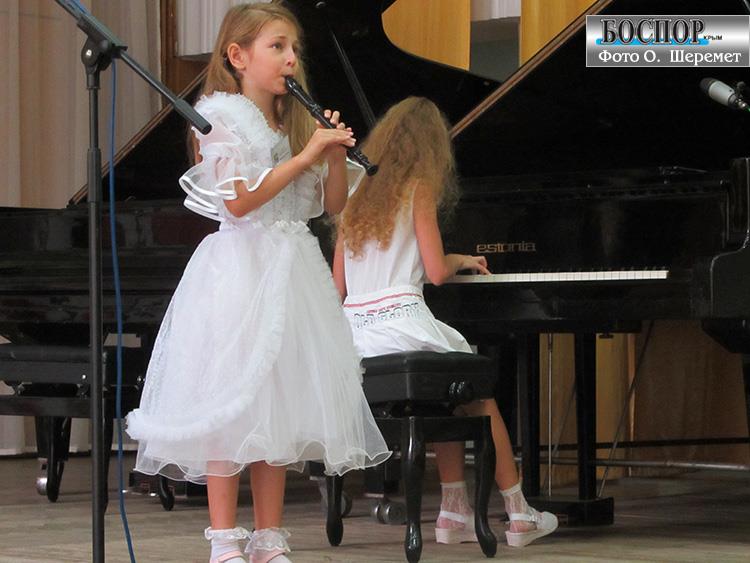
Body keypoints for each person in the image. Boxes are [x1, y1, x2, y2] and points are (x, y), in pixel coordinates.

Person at [126, 3, 390, 562]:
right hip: (239, 270)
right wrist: (306, 156)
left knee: (278, 406)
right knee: (228, 401)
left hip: (292, 270)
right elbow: (239, 202)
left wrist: (332, 155)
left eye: (294, 48)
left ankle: (269, 536)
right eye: (277, 46)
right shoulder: (220, 117)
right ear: (238, 55)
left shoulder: (294, 122)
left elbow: (332, 206)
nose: (291, 58)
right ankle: (224, 538)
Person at [333, 97, 558, 548]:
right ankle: (519, 513)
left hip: (354, 333)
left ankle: (454, 511)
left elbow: (338, 286)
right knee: (478, 397)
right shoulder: (417, 188)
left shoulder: (353, 195)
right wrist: (461, 259)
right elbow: (436, 271)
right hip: (402, 321)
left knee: (444, 390)